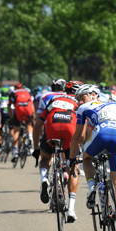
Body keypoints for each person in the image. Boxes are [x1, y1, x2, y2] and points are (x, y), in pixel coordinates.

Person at [69, 84, 116, 231]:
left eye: (82, 98)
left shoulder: (84, 108)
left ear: (93, 95)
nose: (80, 103)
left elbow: (78, 137)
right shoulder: (115, 106)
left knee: (87, 158)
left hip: (101, 133)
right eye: (78, 101)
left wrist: (72, 158)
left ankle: (91, 187)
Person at [32, 80, 81, 222]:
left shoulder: (53, 98)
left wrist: (36, 149)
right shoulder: (79, 102)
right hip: (70, 130)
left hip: (52, 127)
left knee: (46, 159)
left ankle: (44, 178)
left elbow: (38, 124)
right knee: (73, 167)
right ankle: (71, 209)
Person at [8, 83, 35, 164]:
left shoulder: (13, 93)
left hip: (18, 111)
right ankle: (30, 136)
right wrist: (32, 116)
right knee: (29, 124)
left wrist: (12, 117)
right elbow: (32, 105)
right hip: (28, 110)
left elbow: (9, 106)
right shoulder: (27, 92)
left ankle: (15, 152)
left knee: (16, 130)